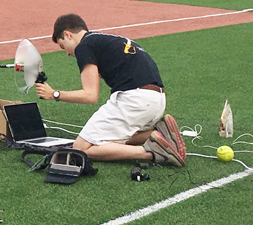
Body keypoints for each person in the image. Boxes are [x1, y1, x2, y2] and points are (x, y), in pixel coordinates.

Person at [35, 13, 186, 167]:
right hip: (156, 101)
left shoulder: (84, 46)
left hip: (135, 100)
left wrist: (54, 94)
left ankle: (153, 152)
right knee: (113, 138)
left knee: (80, 147)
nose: (67, 52)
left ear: (68, 35)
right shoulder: (103, 39)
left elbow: (90, 95)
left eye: (62, 46)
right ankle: (158, 133)